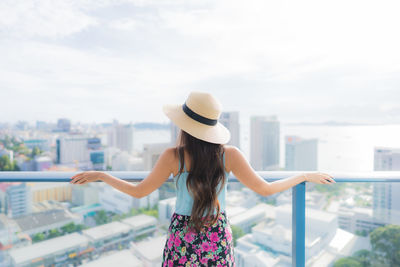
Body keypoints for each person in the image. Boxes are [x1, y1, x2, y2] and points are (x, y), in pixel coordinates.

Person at [70, 91, 335, 267]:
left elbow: (139, 192)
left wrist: (103, 175)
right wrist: (303, 175)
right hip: (217, 236)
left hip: (181, 238)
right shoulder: (229, 155)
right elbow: (264, 189)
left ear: (184, 124)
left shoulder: (173, 156)